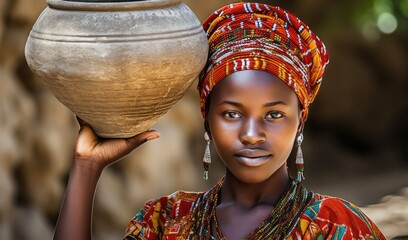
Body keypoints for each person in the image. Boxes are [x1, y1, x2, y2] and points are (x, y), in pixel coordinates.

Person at [53, 2, 386, 240]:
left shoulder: (338, 228)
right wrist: (86, 167)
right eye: (232, 114)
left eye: (273, 115)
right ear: (207, 119)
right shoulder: (164, 223)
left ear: (300, 121)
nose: (252, 134)